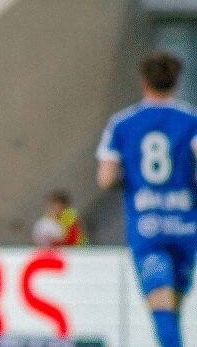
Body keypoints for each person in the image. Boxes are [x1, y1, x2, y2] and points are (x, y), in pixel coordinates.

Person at [96, 51, 197, 347]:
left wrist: (132, 179)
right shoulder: (191, 120)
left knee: (161, 308)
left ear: (144, 82)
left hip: (147, 226)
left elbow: (105, 179)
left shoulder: (122, 123)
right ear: (176, 82)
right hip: (185, 225)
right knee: (173, 307)